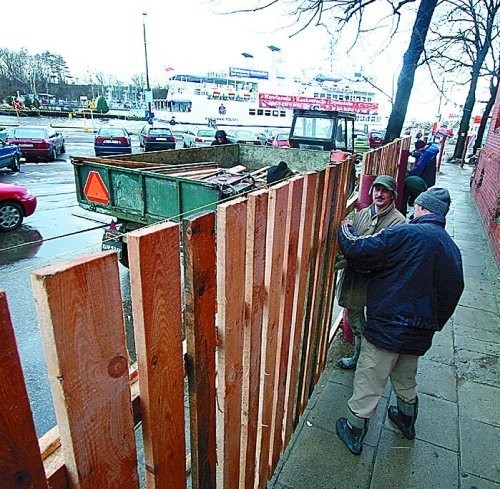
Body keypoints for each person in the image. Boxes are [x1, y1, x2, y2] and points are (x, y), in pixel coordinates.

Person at [335, 187, 464, 455]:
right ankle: (406, 420)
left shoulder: (405, 233)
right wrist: (433, 323)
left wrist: (345, 229)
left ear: (421, 207)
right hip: (419, 332)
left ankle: (354, 428)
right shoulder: (451, 248)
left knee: (370, 377)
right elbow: (454, 290)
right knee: (406, 377)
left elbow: (359, 250)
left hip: (388, 325)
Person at [336, 175, 406, 370]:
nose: (379, 194)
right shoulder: (362, 214)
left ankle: (371, 362)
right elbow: (349, 248)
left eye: (384, 190)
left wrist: (352, 239)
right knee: (356, 317)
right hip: (356, 279)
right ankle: (358, 356)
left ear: (392, 195)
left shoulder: (398, 223)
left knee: (375, 323)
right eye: (376, 189)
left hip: (378, 281)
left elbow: (379, 254)